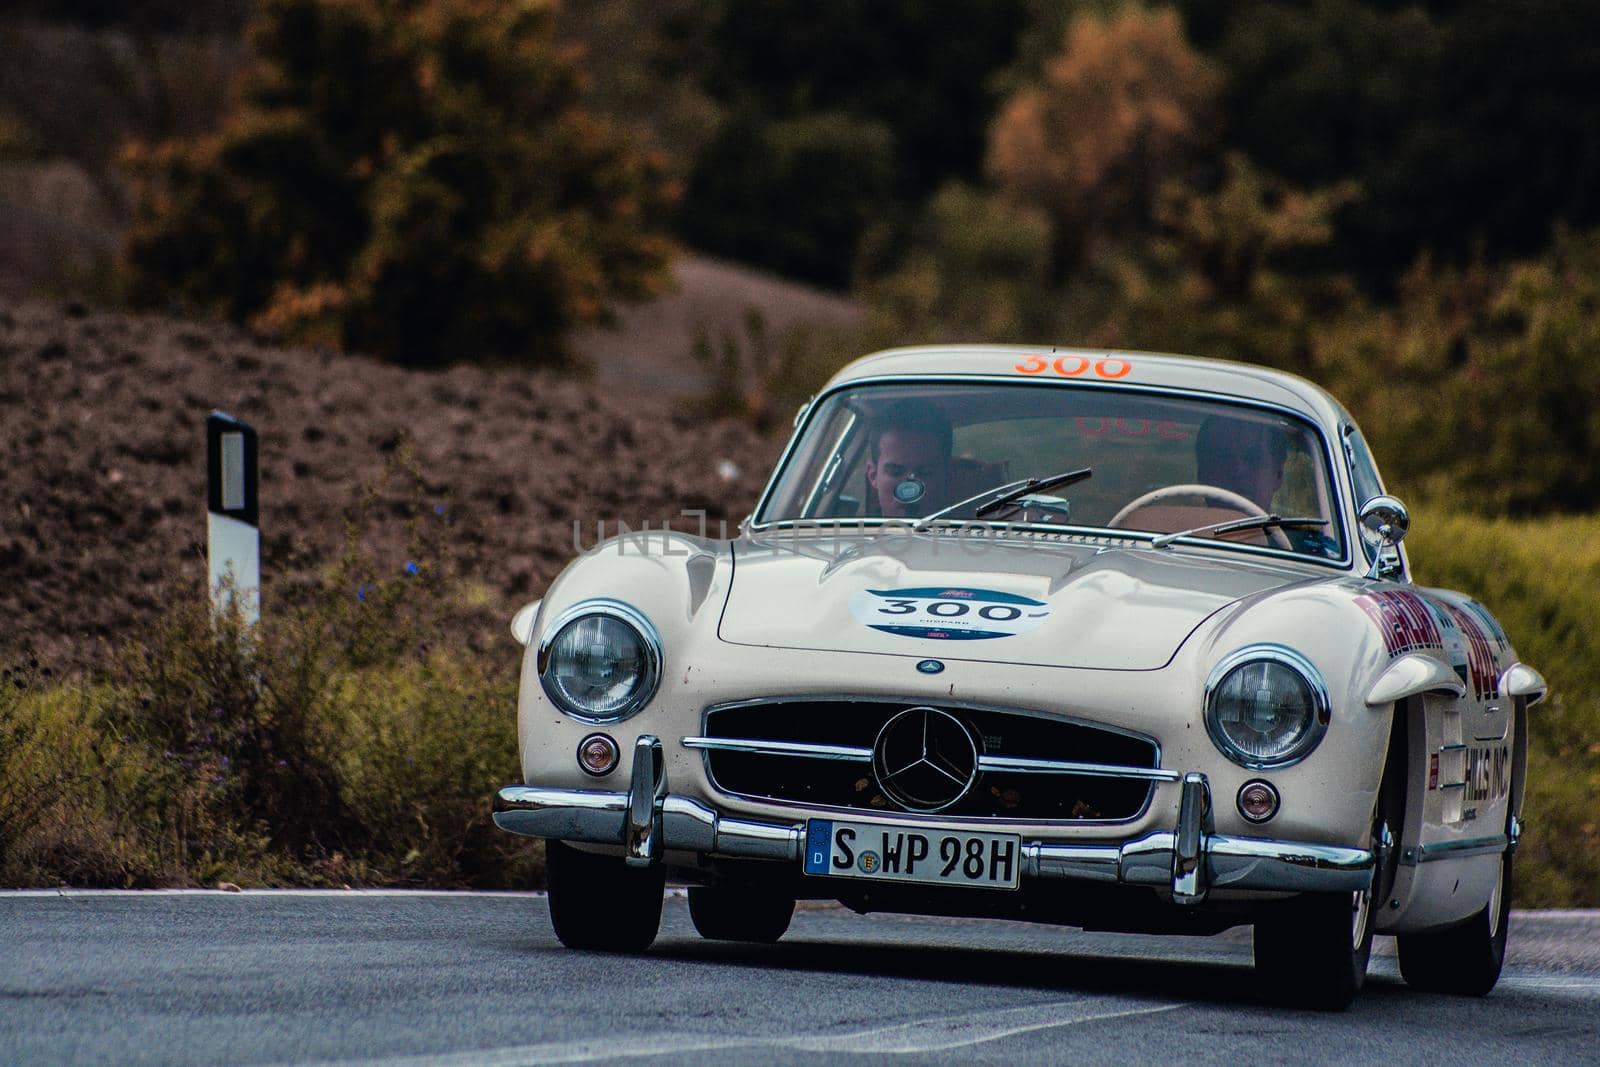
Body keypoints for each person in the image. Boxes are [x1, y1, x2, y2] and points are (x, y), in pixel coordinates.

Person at [864, 400, 953, 518]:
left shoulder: (974, 533)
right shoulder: (846, 533)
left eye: (925, 473)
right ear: (873, 475)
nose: (910, 490)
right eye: (895, 472)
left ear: (947, 476)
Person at [1194, 416, 1288, 511]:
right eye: (1224, 458)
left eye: (1254, 458)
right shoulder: (1179, 524)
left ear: (1278, 475)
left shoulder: (1299, 524)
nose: (1238, 470)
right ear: (1202, 474)